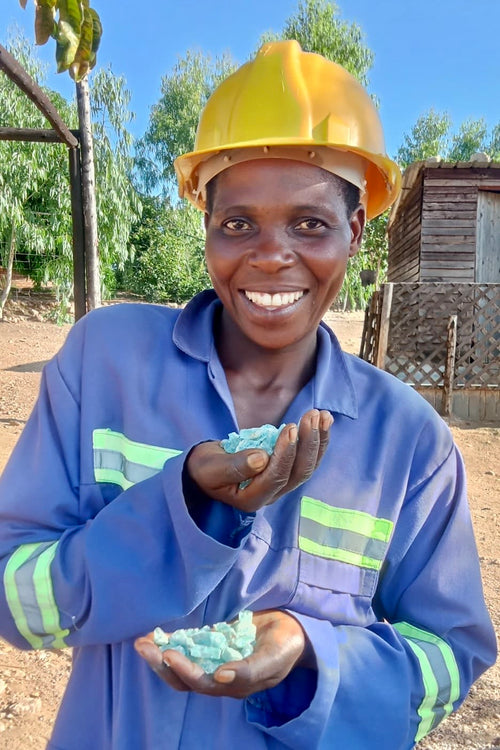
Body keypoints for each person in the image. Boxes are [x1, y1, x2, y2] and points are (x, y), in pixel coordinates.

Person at [0, 40, 495, 750]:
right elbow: (15, 599)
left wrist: (309, 652)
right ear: (205, 223)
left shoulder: (408, 443)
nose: (270, 254)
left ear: (355, 231)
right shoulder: (103, 364)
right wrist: (181, 510)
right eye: (238, 223)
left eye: (310, 223)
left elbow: (452, 659)